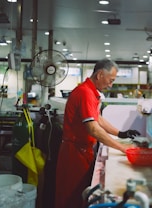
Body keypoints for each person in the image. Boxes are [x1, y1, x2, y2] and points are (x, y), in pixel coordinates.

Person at [54, 58, 140, 208]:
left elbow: (98, 118)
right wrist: (122, 148)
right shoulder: (85, 92)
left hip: (82, 150)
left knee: (80, 193)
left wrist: (121, 134)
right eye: (110, 80)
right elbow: (93, 128)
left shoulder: (91, 92)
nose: (111, 85)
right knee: (70, 196)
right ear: (100, 75)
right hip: (74, 153)